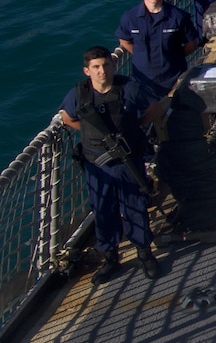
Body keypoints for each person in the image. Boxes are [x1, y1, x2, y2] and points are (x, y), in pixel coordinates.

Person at [54, 46, 165, 283]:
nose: (102, 71)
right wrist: (90, 133)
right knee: (103, 210)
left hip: (127, 160)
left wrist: (135, 130)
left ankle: (145, 253)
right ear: (87, 71)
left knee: (134, 205)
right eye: (96, 67)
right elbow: (68, 118)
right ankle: (110, 258)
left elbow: (155, 108)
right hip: (97, 164)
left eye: (105, 65)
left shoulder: (129, 88)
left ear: (113, 65)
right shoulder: (79, 94)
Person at [117, 0, 200, 99]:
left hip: (174, 79)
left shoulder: (178, 17)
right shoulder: (130, 18)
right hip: (143, 82)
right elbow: (124, 40)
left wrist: (173, 57)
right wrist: (141, 54)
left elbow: (191, 44)